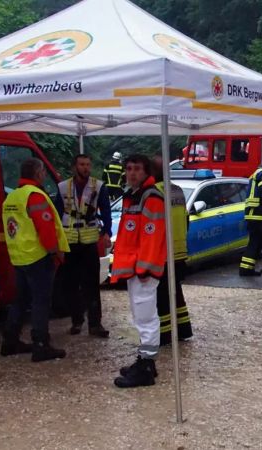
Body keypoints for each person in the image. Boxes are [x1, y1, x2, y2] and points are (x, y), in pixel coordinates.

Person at [0, 158, 70, 362]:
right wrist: (55, 252)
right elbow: (46, 228)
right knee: (41, 302)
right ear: (38, 173)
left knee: (19, 301)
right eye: (42, 172)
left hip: (19, 256)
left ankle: (10, 341)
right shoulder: (35, 196)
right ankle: (41, 345)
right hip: (37, 256)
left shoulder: (12, 196)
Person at [110, 154, 167, 388]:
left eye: (136, 169)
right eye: (129, 168)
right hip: (135, 268)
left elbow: (152, 237)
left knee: (145, 318)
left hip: (143, 269)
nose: (131, 173)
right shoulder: (133, 196)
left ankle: (146, 365)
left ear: (146, 172)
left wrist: (145, 267)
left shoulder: (150, 197)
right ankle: (146, 362)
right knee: (140, 316)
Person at [53, 154, 112, 338]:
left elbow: (106, 210)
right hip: (70, 242)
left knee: (91, 284)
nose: (86, 168)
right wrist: (58, 244)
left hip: (88, 242)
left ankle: (95, 324)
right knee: (70, 285)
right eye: (82, 164)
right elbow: (56, 214)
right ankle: (77, 320)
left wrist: (106, 232)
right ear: (74, 167)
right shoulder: (63, 187)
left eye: (88, 164)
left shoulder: (99, 186)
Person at [152, 156, 193, 344]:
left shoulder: (154, 192)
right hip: (179, 250)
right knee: (175, 292)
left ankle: (165, 334)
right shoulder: (177, 190)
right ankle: (183, 329)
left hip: (162, 252)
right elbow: (186, 219)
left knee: (161, 296)